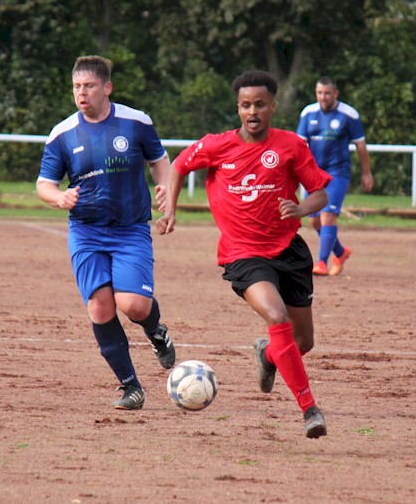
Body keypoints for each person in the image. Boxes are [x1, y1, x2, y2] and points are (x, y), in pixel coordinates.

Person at [157, 70, 332, 439]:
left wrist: (302, 210)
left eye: (260, 104)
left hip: (289, 251)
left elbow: (320, 193)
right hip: (243, 254)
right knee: (275, 313)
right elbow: (177, 166)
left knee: (302, 343)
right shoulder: (217, 145)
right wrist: (170, 208)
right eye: (245, 105)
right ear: (238, 108)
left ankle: (268, 354)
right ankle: (309, 409)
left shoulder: (291, 146)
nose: (252, 111)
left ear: (273, 106)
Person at [36, 55, 176, 411]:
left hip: (130, 229)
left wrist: (167, 195)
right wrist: (59, 197)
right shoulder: (63, 134)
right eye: (77, 87)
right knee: (100, 307)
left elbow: (160, 161)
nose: (81, 93)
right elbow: (44, 184)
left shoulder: (136, 122)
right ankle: (131, 387)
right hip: (86, 231)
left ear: (107, 87)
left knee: (134, 305)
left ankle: (156, 332)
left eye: (89, 86)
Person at [296, 76, 373, 276]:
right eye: (320, 93)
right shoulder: (308, 113)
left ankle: (321, 262)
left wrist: (366, 173)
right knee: (314, 220)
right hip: (312, 174)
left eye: (327, 93)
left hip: (337, 174)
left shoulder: (348, 115)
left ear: (335, 94)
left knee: (328, 216)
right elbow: (299, 145)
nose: (323, 97)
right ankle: (340, 252)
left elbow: (361, 146)